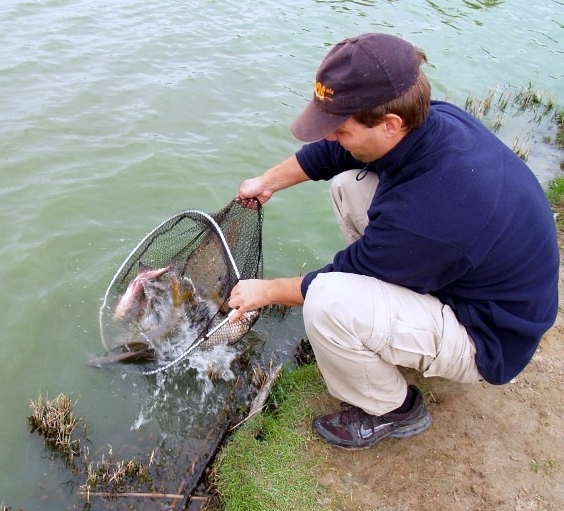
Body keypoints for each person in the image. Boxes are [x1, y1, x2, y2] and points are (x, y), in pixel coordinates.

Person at [227, 33, 559, 450]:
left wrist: (266, 291)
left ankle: (394, 411)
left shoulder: (433, 209)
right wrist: (266, 182)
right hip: (466, 272)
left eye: (341, 129)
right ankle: (395, 325)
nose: (330, 137)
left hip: (489, 336)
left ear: (390, 124)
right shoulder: (430, 123)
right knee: (349, 185)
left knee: (328, 302)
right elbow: (335, 156)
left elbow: (340, 277)